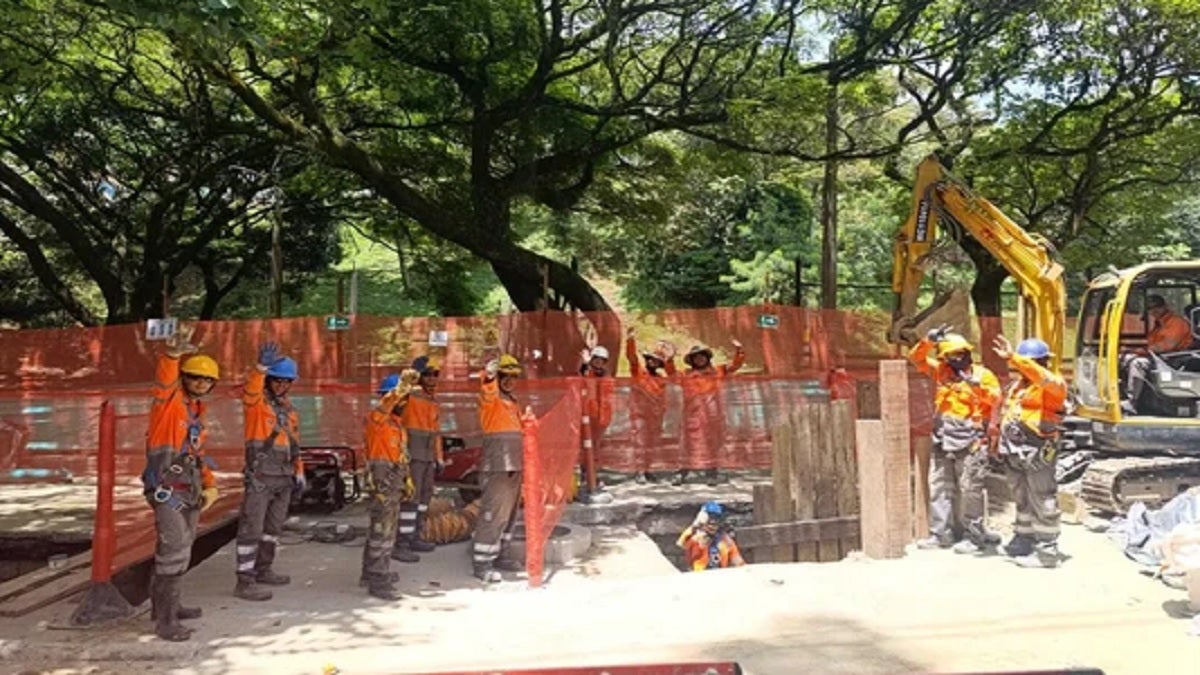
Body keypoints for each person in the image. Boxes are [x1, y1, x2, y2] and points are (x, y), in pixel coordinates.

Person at [140, 330, 220, 642]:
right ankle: (166, 621)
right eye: (195, 377)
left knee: (181, 548)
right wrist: (171, 356)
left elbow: (197, 455)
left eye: (206, 379)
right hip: (166, 487)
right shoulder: (168, 404)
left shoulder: (198, 413)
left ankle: (164, 608)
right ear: (184, 378)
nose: (201, 383)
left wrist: (209, 484)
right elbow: (163, 382)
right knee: (173, 548)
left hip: (190, 487)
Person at [908, 326, 1001, 552]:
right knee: (939, 486)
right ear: (945, 357)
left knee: (970, 488)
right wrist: (928, 341)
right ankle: (941, 534)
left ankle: (974, 535)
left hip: (970, 440)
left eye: (960, 353)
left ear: (967, 352)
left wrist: (975, 386)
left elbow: (997, 399)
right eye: (951, 355)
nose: (956, 358)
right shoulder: (942, 371)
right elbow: (916, 359)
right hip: (942, 437)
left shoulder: (982, 375)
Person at [233, 342, 303, 601]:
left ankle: (264, 569)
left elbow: (295, 444)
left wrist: (299, 472)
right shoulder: (256, 404)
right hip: (261, 476)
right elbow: (251, 389)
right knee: (251, 528)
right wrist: (260, 368)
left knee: (272, 529)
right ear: (269, 380)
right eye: (277, 380)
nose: (282, 386)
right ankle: (245, 581)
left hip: (284, 476)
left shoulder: (290, 411)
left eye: (287, 382)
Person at [992, 335, 1069, 568]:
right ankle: (1024, 538)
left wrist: (1014, 357)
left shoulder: (1053, 385)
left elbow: (1041, 377)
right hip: (1016, 450)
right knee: (1021, 495)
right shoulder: (1018, 387)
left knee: (1042, 496)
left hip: (1037, 450)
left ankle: (1047, 550)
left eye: (1031, 363)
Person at [471, 353, 532, 583]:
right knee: (493, 513)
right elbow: (487, 388)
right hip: (498, 465)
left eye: (513, 377)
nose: (509, 381)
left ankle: (501, 555)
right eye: (505, 376)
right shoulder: (492, 398)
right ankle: (482, 562)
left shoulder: (512, 402)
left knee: (510, 515)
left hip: (514, 465)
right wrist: (489, 376)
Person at [361, 369, 421, 600]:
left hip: (393, 483)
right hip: (381, 485)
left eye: (406, 398)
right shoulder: (377, 420)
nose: (404, 403)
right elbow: (386, 405)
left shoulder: (397, 426)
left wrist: (406, 480)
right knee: (382, 533)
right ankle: (378, 579)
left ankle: (370, 572)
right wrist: (399, 390)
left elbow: (400, 456)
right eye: (401, 398)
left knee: (383, 530)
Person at [677, 339, 744, 486]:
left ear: (707, 358)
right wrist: (669, 358)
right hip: (692, 417)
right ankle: (682, 474)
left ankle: (711, 475)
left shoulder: (718, 371)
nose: (699, 359)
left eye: (702, 356)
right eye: (696, 357)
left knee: (711, 444)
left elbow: (735, 365)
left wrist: (739, 350)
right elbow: (670, 373)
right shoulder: (685, 374)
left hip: (712, 418)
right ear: (692, 361)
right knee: (688, 445)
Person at [396, 355, 443, 560]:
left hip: (426, 457)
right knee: (410, 498)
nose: (432, 378)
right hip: (412, 455)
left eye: (435, 374)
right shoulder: (411, 395)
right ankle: (402, 542)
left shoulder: (433, 401)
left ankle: (415, 534)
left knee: (424, 498)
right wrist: (412, 375)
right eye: (428, 374)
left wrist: (439, 458)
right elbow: (396, 396)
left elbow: (436, 433)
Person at [1122, 294, 1193, 414]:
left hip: (1174, 359)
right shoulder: (1159, 324)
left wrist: (1139, 351)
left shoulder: (1176, 323)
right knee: (1125, 358)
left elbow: (1166, 346)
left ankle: (1132, 401)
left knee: (1138, 363)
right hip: (1161, 357)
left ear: (1165, 306)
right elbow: (1153, 344)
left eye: (1157, 307)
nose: (1154, 310)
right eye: (1150, 308)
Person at [625, 328, 677, 482]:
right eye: (650, 359)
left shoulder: (661, 377)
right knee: (640, 443)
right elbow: (632, 358)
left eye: (655, 360)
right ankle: (640, 471)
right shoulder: (639, 372)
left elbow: (673, 376)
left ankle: (648, 469)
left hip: (656, 415)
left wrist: (671, 357)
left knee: (652, 444)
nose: (651, 361)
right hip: (639, 414)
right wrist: (630, 341)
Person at [577, 344, 614, 501]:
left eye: (601, 360)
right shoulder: (587, 373)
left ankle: (593, 476)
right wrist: (585, 364)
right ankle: (587, 477)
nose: (598, 363)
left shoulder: (606, 377)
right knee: (586, 448)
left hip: (601, 418)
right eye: (596, 359)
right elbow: (581, 378)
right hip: (587, 417)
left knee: (596, 448)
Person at [676, 501, 745, 571]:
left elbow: (737, 560)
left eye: (716, 522)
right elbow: (681, 543)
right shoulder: (695, 537)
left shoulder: (725, 540)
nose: (712, 526)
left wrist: (744, 570)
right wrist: (696, 527)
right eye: (709, 523)